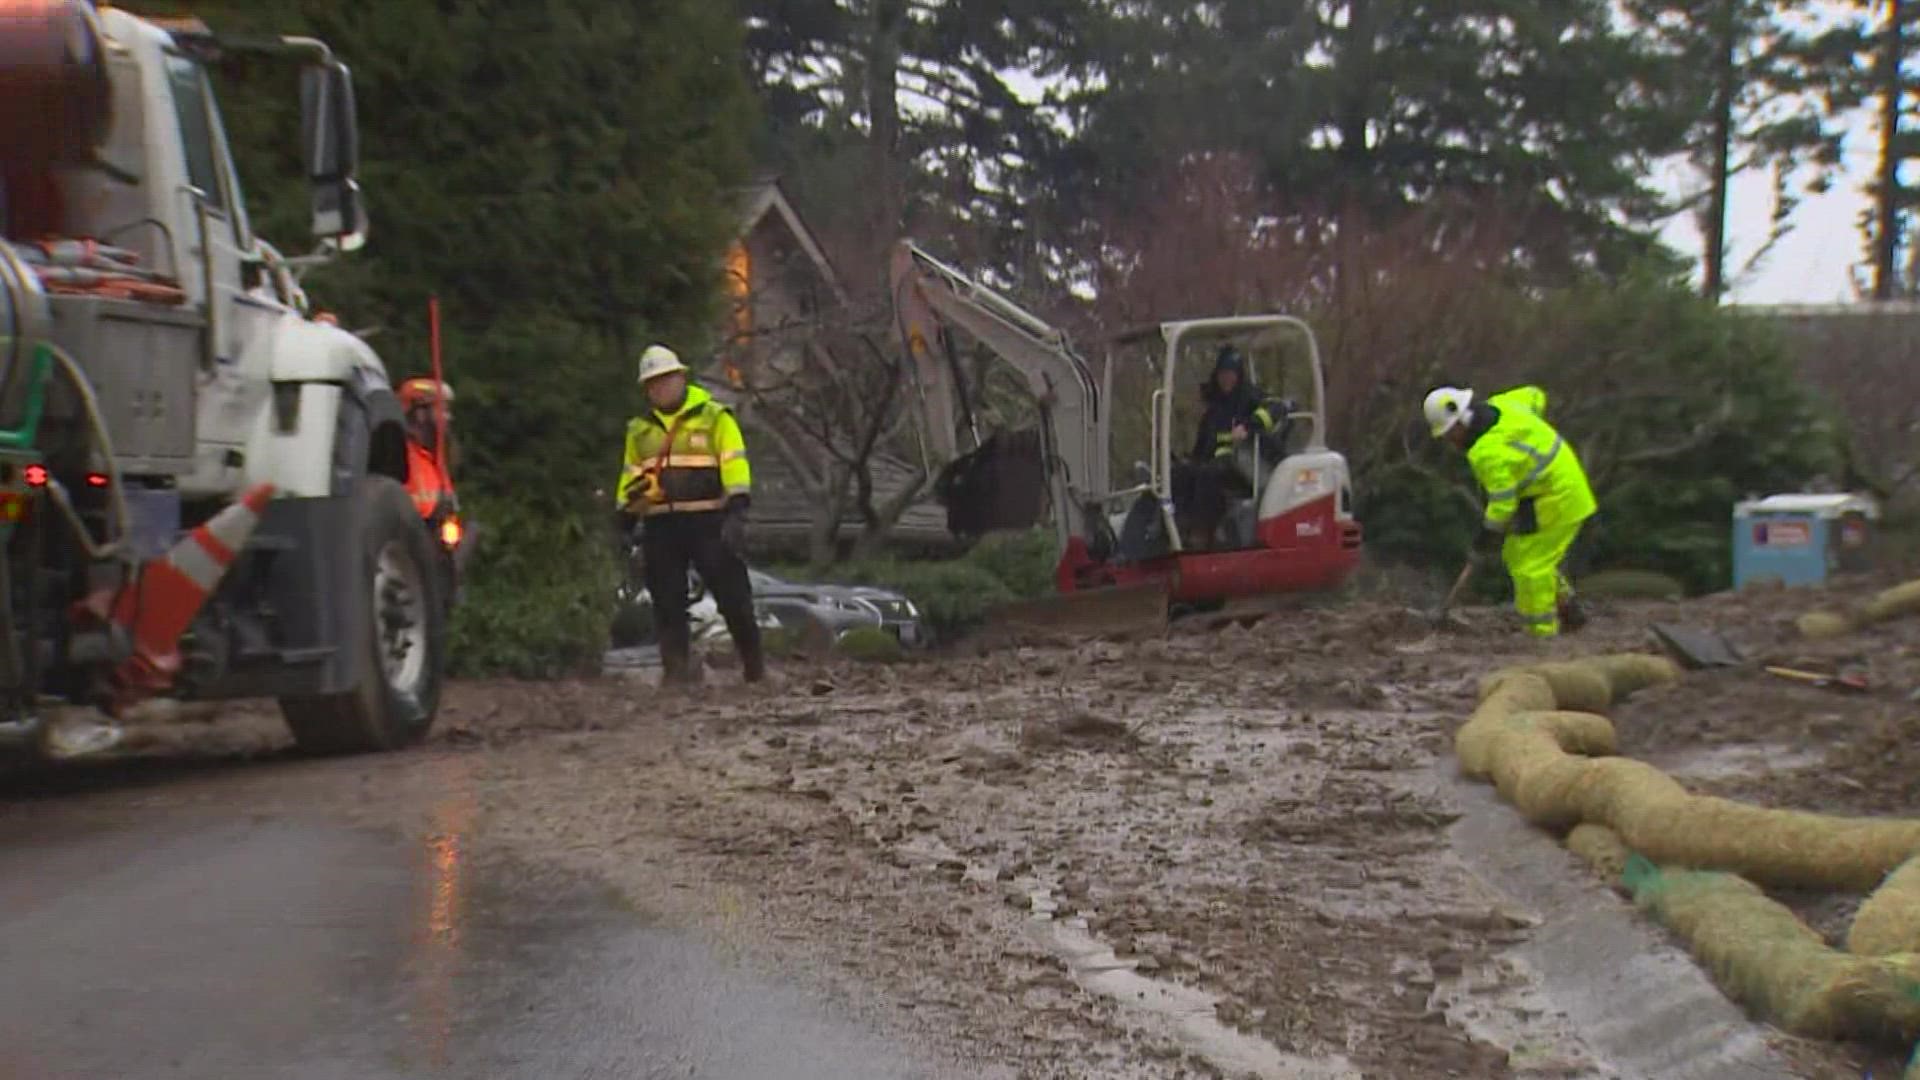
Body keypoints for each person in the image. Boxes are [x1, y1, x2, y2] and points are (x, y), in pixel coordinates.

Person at [614, 344, 765, 685]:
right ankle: (676, 674)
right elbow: (630, 478)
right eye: (653, 383)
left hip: (709, 520)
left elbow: (735, 464)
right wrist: (625, 519)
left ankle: (755, 667)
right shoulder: (639, 430)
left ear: (681, 378)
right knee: (667, 602)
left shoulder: (715, 417)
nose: (661, 388)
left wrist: (737, 511)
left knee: (733, 597)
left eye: (666, 380)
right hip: (660, 524)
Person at [1425, 383, 1595, 637]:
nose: (1450, 441)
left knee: (1531, 568)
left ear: (1459, 425)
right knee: (1517, 554)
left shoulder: (1487, 453)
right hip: (1551, 491)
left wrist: (1486, 536)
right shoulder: (1503, 404)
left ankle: (1541, 635)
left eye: (1449, 435)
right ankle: (1567, 607)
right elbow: (1535, 395)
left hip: (1558, 498)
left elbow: (1503, 504)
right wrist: (1531, 436)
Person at [1172, 345, 1294, 549]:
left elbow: (1276, 408)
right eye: (1222, 374)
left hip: (1244, 468)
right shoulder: (1214, 410)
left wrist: (1249, 426)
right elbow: (1202, 446)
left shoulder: (1249, 398)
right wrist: (1187, 461)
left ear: (1238, 375)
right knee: (1181, 473)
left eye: (1230, 373)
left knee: (1208, 475)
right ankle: (1176, 529)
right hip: (1219, 465)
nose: (1226, 379)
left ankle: (1202, 533)